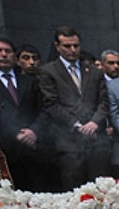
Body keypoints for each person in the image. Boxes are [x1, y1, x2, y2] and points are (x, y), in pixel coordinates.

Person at [37, 26, 110, 190]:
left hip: (96, 141)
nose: (72, 50)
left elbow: (104, 101)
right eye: (67, 46)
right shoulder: (48, 71)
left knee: (101, 191)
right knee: (74, 191)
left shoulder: (94, 72)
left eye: (76, 45)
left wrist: (94, 122)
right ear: (57, 46)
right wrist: (76, 124)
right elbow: (51, 104)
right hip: (69, 143)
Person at [0, 34, 51, 191]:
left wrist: (34, 131)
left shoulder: (29, 80)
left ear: (14, 56)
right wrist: (15, 134)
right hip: (4, 152)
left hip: (34, 149)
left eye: (8, 51)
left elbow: (44, 109)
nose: (4, 55)